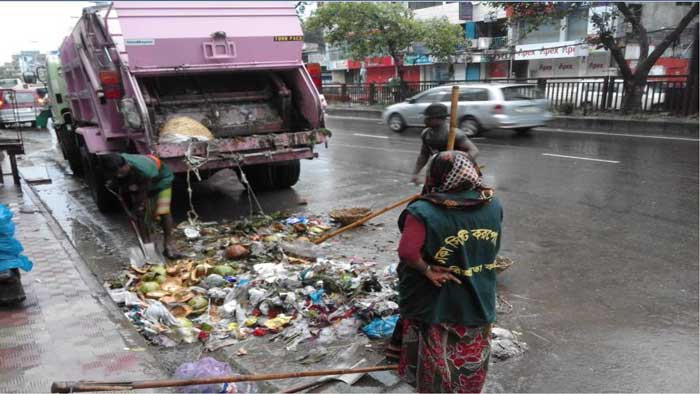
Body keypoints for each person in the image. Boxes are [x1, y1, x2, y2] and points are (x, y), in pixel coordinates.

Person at [396, 150, 503, 393]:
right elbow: (493, 247)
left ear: (435, 176)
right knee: (471, 357)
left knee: (436, 365)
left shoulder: (423, 211)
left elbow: (408, 253)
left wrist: (427, 270)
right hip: (479, 295)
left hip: (439, 302)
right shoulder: (492, 202)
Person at [100, 153, 182, 259]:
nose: (119, 175)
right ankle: (147, 248)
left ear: (126, 165)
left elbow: (143, 192)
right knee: (141, 216)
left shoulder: (145, 169)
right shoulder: (113, 162)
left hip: (161, 180)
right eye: (116, 174)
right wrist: (114, 182)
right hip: (138, 182)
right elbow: (119, 180)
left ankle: (168, 245)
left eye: (121, 172)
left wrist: (136, 208)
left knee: (163, 210)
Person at [411, 103, 480, 185]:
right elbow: (423, 155)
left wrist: (459, 166)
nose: (425, 120)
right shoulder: (426, 134)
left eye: (428, 118)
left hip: (458, 176)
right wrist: (416, 173)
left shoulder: (453, 133)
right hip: (438, 173)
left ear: (437, 119)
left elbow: (474, 150)